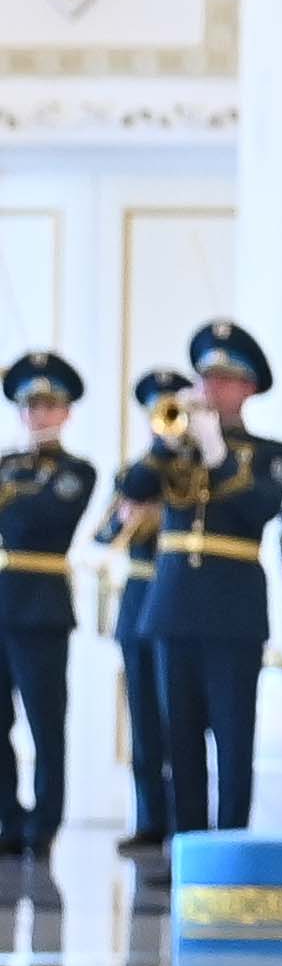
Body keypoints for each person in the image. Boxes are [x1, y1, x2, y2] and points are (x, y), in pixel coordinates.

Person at [140, 323, 282, 842]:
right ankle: (186, 846)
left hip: (232, 610)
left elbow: (260, 507)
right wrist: (163, 443)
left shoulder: (271, 453)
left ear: (248, 388)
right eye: (207, 377)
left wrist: (217, 453)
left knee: (233, 739)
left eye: (225, 380)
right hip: (173, 606)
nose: (212, 388)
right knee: (179, 741)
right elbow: (133, 486)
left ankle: (231, 846)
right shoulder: (176, 447)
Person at [0, 355, 90, 854]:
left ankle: (45, 821)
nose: (38, 415)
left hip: (41, 610)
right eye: (31, 406)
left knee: (44, 721)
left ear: (66, 412)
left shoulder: (76, 471)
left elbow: (41, 518)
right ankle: (8, 818)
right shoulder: (7, 466)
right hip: (3, 603)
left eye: (48, 406)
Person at [99, 369, 186, 856]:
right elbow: (104, 535)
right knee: (143, 718)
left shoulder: (188, 468)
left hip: (174, 598)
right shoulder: (137, 472)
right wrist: (130, 517)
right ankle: (149, 817)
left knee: (178, 717)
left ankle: (179, 818)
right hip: (137, 600)